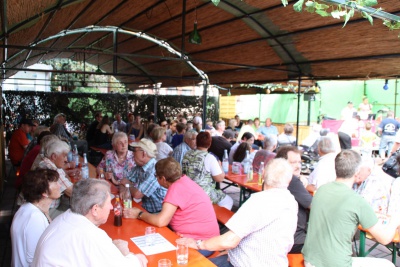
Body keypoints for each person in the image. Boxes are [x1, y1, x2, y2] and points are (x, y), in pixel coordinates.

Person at [184, 158, 298, 267]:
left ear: (263, 174)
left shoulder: (259, 201)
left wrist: (199, 244)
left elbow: (229, 241)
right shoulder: (291, 202)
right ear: (289, 180)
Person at [302, 150, 399, 267]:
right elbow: (385, 239)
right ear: (357, 172)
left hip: (310, 259)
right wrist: (395, 219)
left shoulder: (321, 190)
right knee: (388, 265)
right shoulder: (357, 201)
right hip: (335, 263)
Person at [32, 179, 147, 266]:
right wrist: (135, 257)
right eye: (108, 203)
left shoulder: (64, 218)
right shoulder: (89, 235)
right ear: (95, 209)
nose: (112, 207)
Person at [123, 157, 219, 257]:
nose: (156, 178)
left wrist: (139, 214)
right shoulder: (184, 180)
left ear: (163, 179)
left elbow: (161, 221)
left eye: (157, 176)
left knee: (151, 251)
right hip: (206, 238)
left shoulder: (175, 188)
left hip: (201, 244)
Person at [11, 169, 61, 267]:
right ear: (44, 193)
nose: (59, 185)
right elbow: (35, 259)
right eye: (55, 183)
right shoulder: (35, 219)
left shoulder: (31, 208)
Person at [182, 132, 233, 210]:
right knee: (228, 201)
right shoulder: (209, 157)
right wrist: (219, 165)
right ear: (210, 144)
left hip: (188, 191)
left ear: (196, 141)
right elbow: (219, 179)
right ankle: (214, 218)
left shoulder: (187, 154)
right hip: (203, 193)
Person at [275, 146, 312, 254]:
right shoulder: (291, 180)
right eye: (293, 162)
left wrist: (300, 177)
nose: (298, 166)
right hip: (294, 240)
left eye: (299, 162)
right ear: (282, 164)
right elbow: (313, 205)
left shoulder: (275, 177)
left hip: (278, 236)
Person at [32, 139, 74, 219]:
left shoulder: (46, 161)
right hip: (45, 211)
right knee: (81, 215)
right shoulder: (51, 169)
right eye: (64, 156)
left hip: (41, 206)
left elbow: (65, 177)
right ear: (54, 156)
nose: (66, 160)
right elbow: (71, 192)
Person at [123, 139, 167, 213]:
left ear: (143, 154)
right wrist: (123, 190)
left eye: (135, 151)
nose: (132, 153)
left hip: (157, 213)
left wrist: (127, 185)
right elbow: (124, 179)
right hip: (146, 209)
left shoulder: (155, 169)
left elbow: (137, 194)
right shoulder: (140, 166)